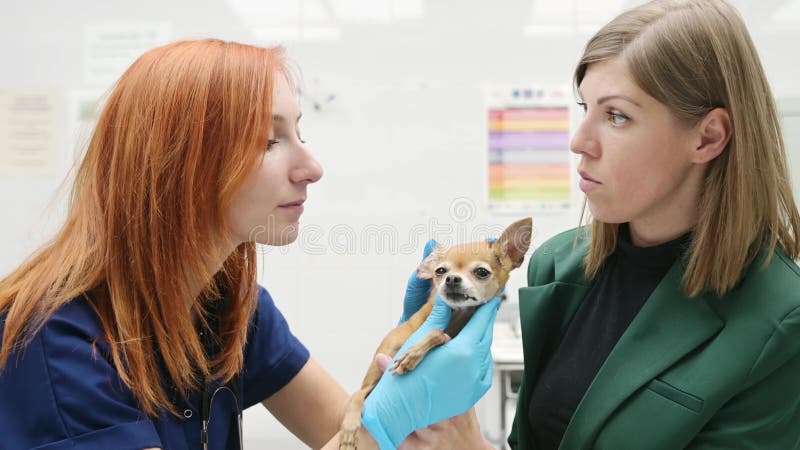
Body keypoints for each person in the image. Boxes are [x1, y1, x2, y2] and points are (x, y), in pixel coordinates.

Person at [0, 39, 498, 450]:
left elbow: (343, 430)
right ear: (179, 167)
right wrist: (395, 412)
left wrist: (432, 396)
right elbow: (369, 436)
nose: (313, 168)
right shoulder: (54, 340)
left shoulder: (230, 306)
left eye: (299, 132)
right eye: (268, 140)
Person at [504, 0, 800, 448]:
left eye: (617, 116)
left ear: (708, 137)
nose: (579, 141)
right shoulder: (557, 265)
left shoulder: (780, 321)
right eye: (586, 107)